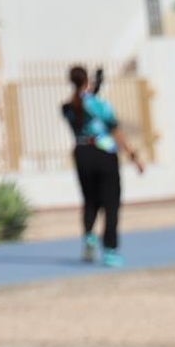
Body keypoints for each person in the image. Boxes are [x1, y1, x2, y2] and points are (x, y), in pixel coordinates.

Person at [61, 65, 145, 267]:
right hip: (103, 152)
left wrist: (88, 92)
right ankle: (110, 250)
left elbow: (80, 106)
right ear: (86, 81)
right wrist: (133, 155)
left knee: (90, 199)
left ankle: (89, 236)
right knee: (111, 202)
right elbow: (115, 129)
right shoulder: (98, 105)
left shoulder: (67, 107)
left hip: (82, 153)